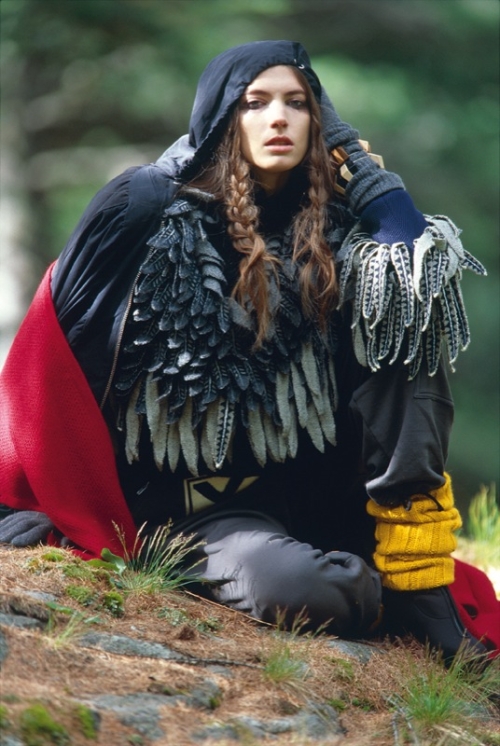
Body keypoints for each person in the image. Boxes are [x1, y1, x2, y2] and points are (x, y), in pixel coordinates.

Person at [1, 40, 497, 663]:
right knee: (316, 591)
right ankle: (361, 589)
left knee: (400, 290)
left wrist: (372, 182)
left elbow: (417, 268)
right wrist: (28, 492)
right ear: (221, 115)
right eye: (255, 103)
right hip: (188, 512)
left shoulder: (334, 226)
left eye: (298, 104)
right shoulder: (145, 206)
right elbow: (51, 350)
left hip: (309, 494)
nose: (279, 118)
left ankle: (417, 583)